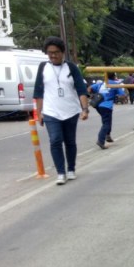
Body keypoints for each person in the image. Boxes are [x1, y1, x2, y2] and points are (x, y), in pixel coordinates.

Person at [34, 36, 89, 185]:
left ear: (63, 52)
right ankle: (60, 172)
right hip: (51, 112)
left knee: (70, 141)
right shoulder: (43, 67)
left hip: (70, 111)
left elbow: (81, 89)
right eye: (50, 52)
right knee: (55, 140)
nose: (53, 55)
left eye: (56, 52)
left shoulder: (71, 67)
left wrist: (85, 109)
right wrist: (39, 113)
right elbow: (38, 92)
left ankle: (71, 169)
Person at [89, 72, 125, 149]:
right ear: (114, 76)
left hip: (98, 105)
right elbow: (122, 95)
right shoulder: (115, 84)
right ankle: (100, 140)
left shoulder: (101, 83)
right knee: (106, 123)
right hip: (107, 106)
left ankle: (108, 135)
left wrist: (91, 95)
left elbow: (89, 88)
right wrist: (118, 97)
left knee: (107, 121)